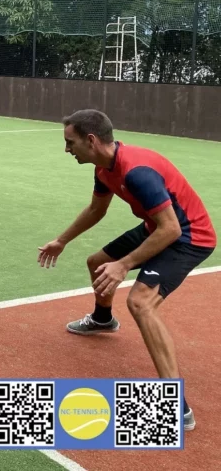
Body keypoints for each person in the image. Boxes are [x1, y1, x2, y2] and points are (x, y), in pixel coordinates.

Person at [38, 109, 215, 431]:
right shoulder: (104, 168)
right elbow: (96, 208)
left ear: (91, 140)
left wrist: (124, 265)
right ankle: (103, 319)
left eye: (70, 142)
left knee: (140, 302)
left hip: (190, 237)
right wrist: (61, 241)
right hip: (157, 227)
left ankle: (175, 403)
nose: (67, 150)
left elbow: (172, 230)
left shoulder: (137, 172)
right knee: (96, 263)